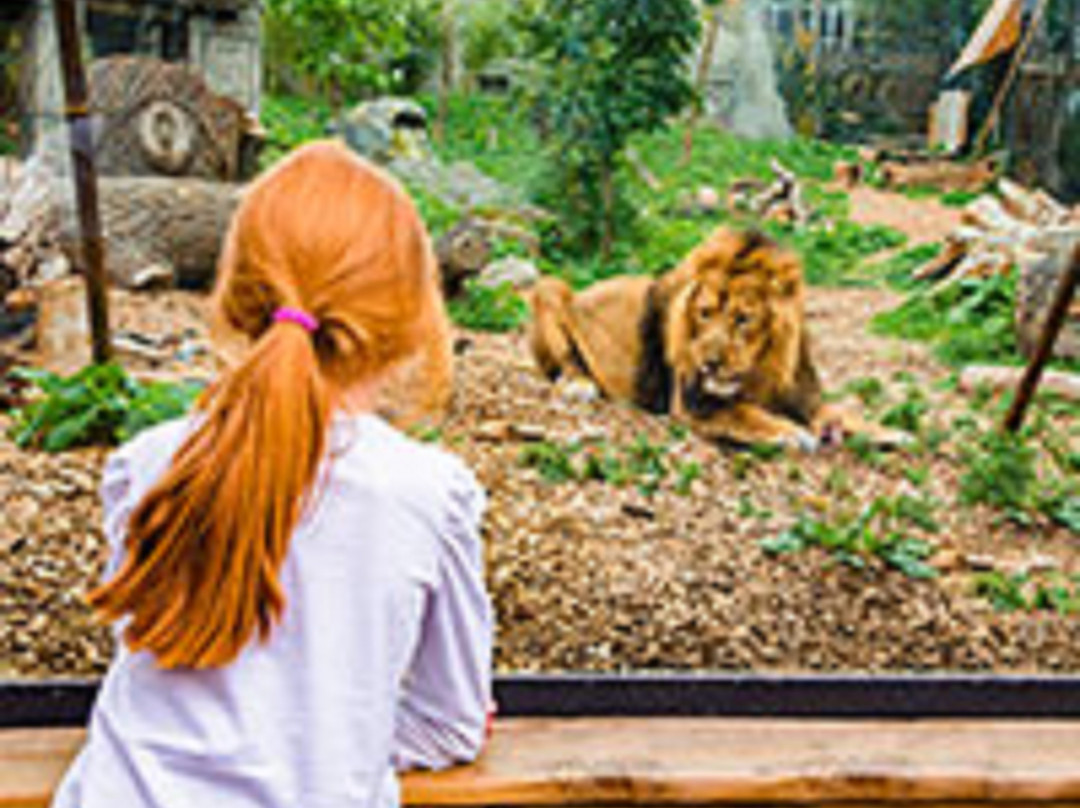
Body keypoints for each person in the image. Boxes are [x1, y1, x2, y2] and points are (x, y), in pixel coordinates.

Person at [51, 141, 494, 808]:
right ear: (411, 322)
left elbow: (151, 655)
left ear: (234, 298)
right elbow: (451, 722)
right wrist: (336, 741)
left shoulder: (145, 465)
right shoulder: (430, 496)